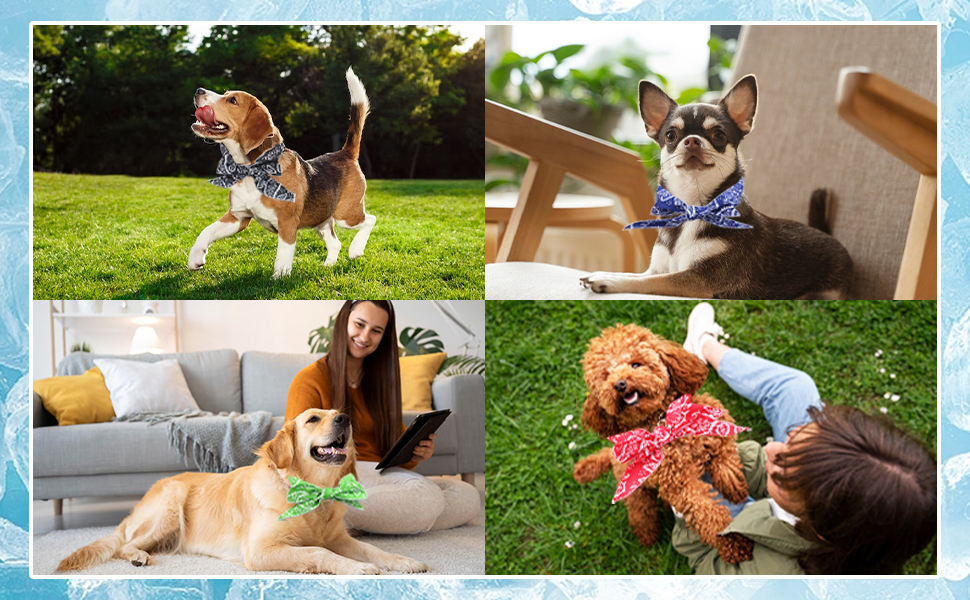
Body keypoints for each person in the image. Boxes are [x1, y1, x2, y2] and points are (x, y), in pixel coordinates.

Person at [671, 302, 936, 575]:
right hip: (798, 511)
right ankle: (702, 345)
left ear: (819, 528)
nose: (770, 446)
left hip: (745, 533)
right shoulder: (871, 518)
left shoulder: (770, 577)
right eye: (797, 438)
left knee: (689, 470)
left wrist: (687, 503)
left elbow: (706, 564)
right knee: (797, 389)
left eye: (782, 470)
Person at [285, 300, 480, 535]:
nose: (365, 336)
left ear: (384, 337)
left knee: (468, 495)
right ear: (343, 323)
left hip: (379, 473)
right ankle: (338, 514)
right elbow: (298, 453)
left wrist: (417, 451)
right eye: (359, 324)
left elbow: (392, 448)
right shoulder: (309, 380)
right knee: (427, 498)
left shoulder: (380, 382)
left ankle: (354, 523)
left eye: (376, 331)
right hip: (340, 474)